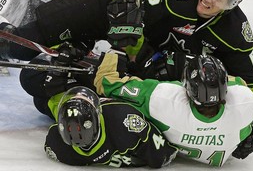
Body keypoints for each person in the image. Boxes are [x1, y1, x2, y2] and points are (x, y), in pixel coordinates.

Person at [0, 0, 253, 114]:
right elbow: (127, 9)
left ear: (232, 3)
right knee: (16, 47)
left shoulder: (234, 31)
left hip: (142, 36)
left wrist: (246, 119)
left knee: (40, 85)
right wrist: (140, 57)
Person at [94, 51, 253, 167]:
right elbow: (239, 84)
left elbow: (107, 83)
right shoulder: (245, 103)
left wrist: (114, 50)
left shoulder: (163, 100)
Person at [19, 53, 178, 168]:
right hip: (120, 92)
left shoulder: (57, 144)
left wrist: (60, 72)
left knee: (36, 91)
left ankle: (69, 67)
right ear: (97, 114)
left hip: (62, 97)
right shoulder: (124, 120)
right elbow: (164, 154)